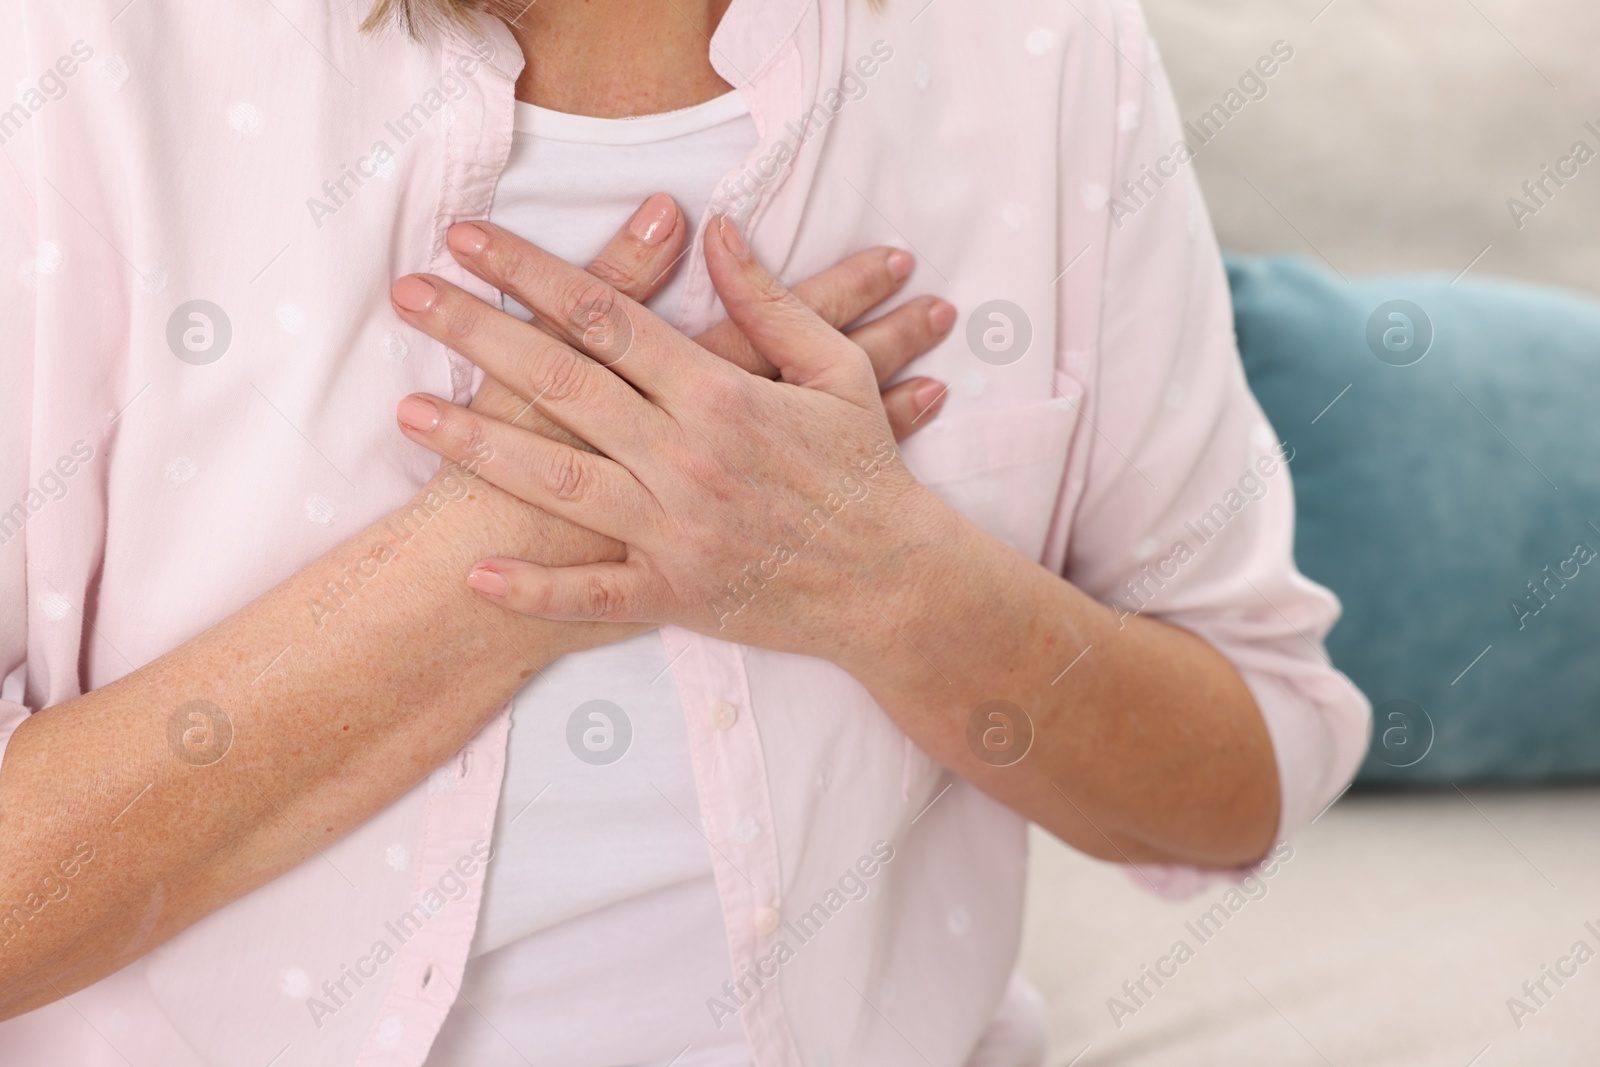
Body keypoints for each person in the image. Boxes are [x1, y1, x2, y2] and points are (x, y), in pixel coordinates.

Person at [0, 0, 1370, 1063]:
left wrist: (885, 579)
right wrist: (514, 551)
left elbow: (1247, 764)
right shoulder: (71, 62)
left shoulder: (1039, 42)